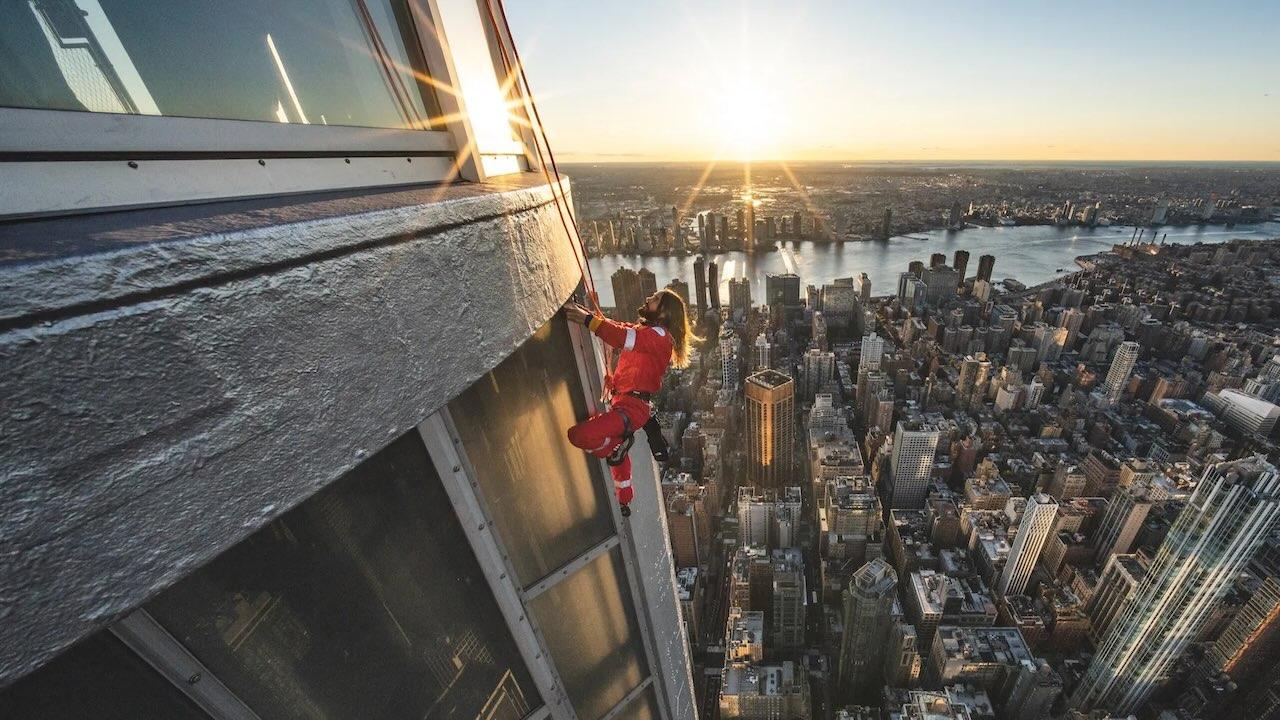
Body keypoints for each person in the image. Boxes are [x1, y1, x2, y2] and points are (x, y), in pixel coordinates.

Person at [564, 288, 697, 515]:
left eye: (655, 299)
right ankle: (624, 495)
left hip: (632, 409)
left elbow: (619, 336)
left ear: (664, 312)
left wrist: (586, 319)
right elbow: (616, 328)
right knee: (609, 448)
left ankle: (615, 446)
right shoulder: (647, 332)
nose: (647, 299)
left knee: (579, 435)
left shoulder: (659, 336)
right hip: (624, 403)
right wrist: (587, 311)